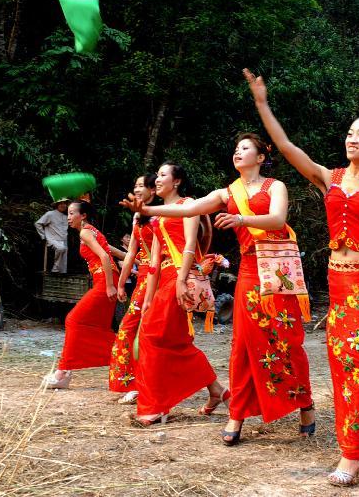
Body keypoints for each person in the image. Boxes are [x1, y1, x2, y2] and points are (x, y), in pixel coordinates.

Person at [246, 69, 359, 486]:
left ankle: (352, 453)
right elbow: (288, 147)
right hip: (337, 281)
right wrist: (262, 104)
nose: (352, 139)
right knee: (342, 362)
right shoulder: (329, 177)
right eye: (350, 133)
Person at [129, 134, 315, 445]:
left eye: (245, 148)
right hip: (249, 272)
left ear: (260, 157)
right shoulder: (227, 192)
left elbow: (278, 218)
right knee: (242, 344)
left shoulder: (275, 187)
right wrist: (150, 212)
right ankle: (237, 414)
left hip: (278, 273)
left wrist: (241, 218)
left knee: (285, 341)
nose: (237, 153)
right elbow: (190, 210)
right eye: (236, 149)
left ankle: (304, 404)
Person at [133, 162, 227, 426]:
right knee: (176, 342)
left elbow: (189, 245)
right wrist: (148, 297)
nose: (157, 179)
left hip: (177, 277)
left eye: (163, 175)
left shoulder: (188, 205)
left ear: (176, 182)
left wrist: (182, 280)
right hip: (163, 278)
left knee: (151, 337)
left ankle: (155, 406)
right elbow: (153, 260)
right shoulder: (157, 216)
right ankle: (216, 390)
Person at [43, 200, 118, 389]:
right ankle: (125, 354)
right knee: (95, 327)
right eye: (67, 214)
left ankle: (63, 372)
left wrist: (109, 285)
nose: (68, 217)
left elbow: (104, 256)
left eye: (71, 213)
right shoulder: (93, 231)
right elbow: (114, 253)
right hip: (107, 279)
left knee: (73, 320)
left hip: (105, 281)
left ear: (82, 216)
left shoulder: (85, 232)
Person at [109, 173, 157, 404]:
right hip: (143, 278)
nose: (136, 189)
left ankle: (142, 383)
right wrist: (121, 281)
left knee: (139, 330)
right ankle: (134, 381)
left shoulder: (160, 214)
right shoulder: (138, 215)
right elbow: (131, 253)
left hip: (157, 277)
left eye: (141, 186)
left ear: (153, 191)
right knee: (129, 328)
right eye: (135, 185)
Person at [35, 198, 69, 273]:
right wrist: (43, 236)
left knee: (63, 266)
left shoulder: (66, 217)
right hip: (52, 239)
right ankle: (55, 269)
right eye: (61, 203)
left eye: (65, 203)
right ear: (57, 205)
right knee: (61, 248)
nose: (63, 205)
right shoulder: (50, 214)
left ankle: (60, 277)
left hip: (63, 240)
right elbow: (38, 223)